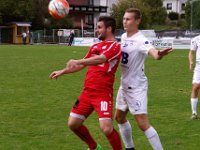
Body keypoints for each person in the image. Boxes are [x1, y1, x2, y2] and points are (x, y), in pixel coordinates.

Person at [49, 16, 122, 150]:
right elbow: (81, 65)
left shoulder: (115, 46)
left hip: (103, 93)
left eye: (99, 27)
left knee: (106, 128)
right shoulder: (95, 46)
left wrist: (78, 61)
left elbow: (101, 59)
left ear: (109, 28)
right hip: (87, 92)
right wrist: (62, 71)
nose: (96, 30)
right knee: (73, 124)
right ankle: (94, 147)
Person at [114, 8, 172, 150]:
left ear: (137, 21)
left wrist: (159, 54)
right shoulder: (123, 37)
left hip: (136, 87)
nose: (125, 21)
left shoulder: (141, 40)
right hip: (124, 85)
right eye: (124, 19)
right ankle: (130, 148)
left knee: (142, 123)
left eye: (128, 19)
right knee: (119, 118)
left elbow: (153, 53)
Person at [188, 35, 200, 119]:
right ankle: (194, 112)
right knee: (195, 87)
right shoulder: (196, 39)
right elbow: (191, 52)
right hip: (199, 66)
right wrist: (191, 62)